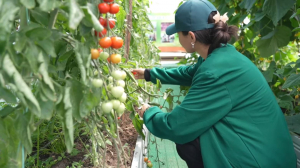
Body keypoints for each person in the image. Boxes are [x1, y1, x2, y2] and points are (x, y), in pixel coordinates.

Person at [132, 0, 297, 167]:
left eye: (178, 34)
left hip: (260, 161)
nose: (176, 37)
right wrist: (149, 74)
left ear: (191, 36)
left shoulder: (215, 72)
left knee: (190, 139)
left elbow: (176, 126)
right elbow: (191, 72)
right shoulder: (221, 55)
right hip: (268, 152)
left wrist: (149, 113)